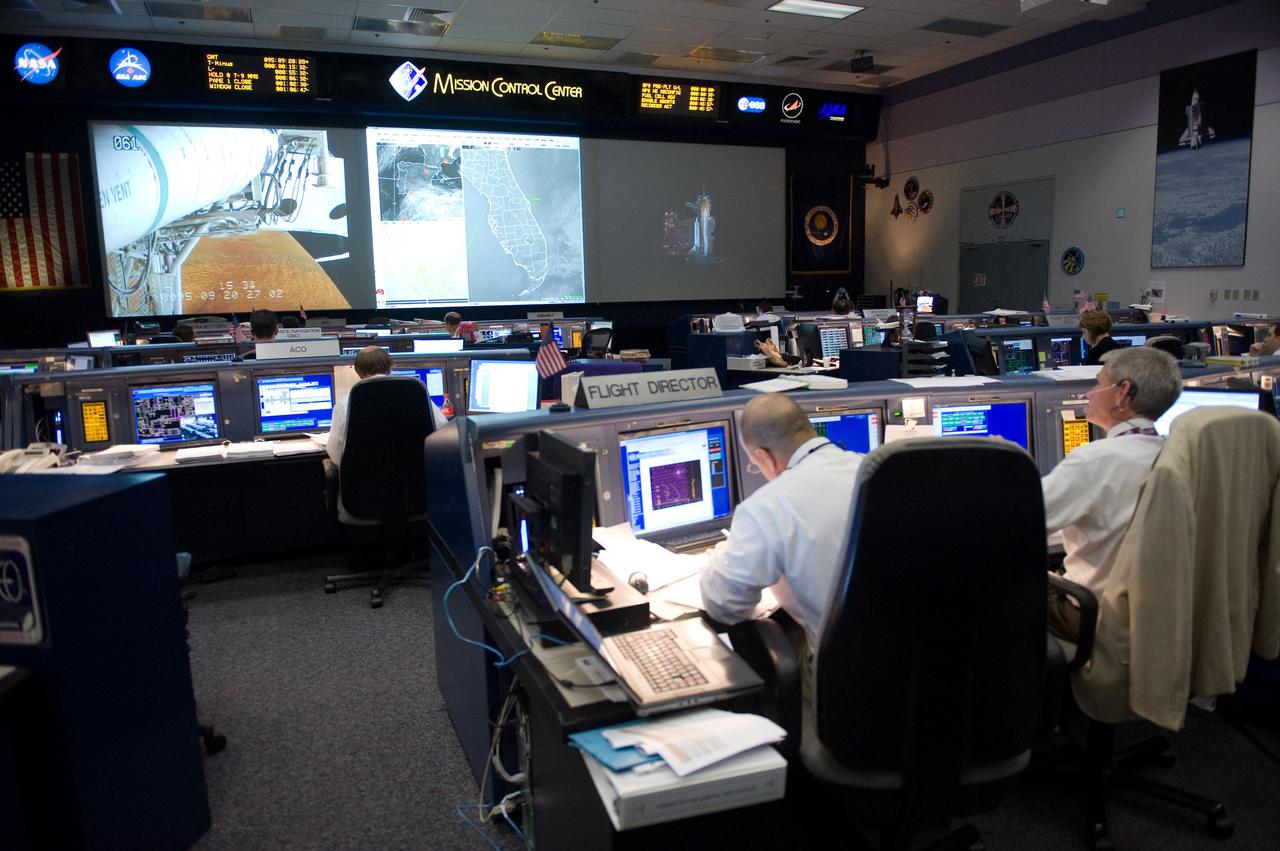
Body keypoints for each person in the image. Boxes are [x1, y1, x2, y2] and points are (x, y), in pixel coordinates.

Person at [700, 393, 865, 683]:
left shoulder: (768, 506)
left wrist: (721, 558)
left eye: (756, 465)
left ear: (763, 456)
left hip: (848, 678)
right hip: (931, 664)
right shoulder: (875, 470)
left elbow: (724, 605)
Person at [1042, 347, 1182, 633]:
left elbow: (1014, 523)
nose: (1090, 393)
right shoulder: (1178, 455)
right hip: (1155, 621)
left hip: (1093, 617)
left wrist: (1006, 465)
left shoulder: (1093, 461)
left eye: (1097, 383)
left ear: (1122, 393)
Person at [327, 346, 447, 466]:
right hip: (416, 478)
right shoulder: (417, 394)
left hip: (366, 481)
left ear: (358, 373)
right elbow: (443, 429)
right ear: (390, 368)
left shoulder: (345, 404)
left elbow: (336, 453)